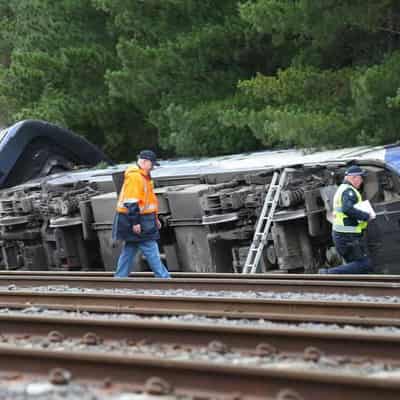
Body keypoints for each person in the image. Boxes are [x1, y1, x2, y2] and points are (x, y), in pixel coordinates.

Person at [112, 150, 170, 278]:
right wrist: (135, 222)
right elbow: (131, 201)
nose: (153, 167)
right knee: (150, 247)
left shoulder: (143, 176)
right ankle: (164, 279)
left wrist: (155, 218)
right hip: (136, 219)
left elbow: (148, 201)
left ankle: (120, 278)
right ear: (144, 162)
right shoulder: (135, 177)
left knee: (130, 249)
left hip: (139, 219)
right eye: (152, 164)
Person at [319, 165, 373, 274]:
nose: (361, 181)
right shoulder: (349, 191)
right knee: (364, 264)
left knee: (357, 270)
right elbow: (347, 208)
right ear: (354, 178)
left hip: (343, 236)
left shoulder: (342, 189)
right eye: (361, 178)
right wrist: (366, 216)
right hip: (347, 236)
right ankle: (328, 274)